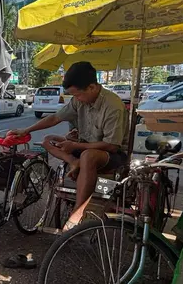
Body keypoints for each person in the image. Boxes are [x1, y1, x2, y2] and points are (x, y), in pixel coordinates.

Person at [10, 61, 128, 230]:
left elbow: (111, 146)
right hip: (83, 146)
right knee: (47, 140)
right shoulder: (78, 101)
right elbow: (55, 118)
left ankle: (78, 211)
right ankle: (74, 162)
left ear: (92, 87)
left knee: (88, 155)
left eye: (78, 95)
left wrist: (75, 146)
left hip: (110, 155)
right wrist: (26, 130)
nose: (76, 99)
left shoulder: (113, 106)